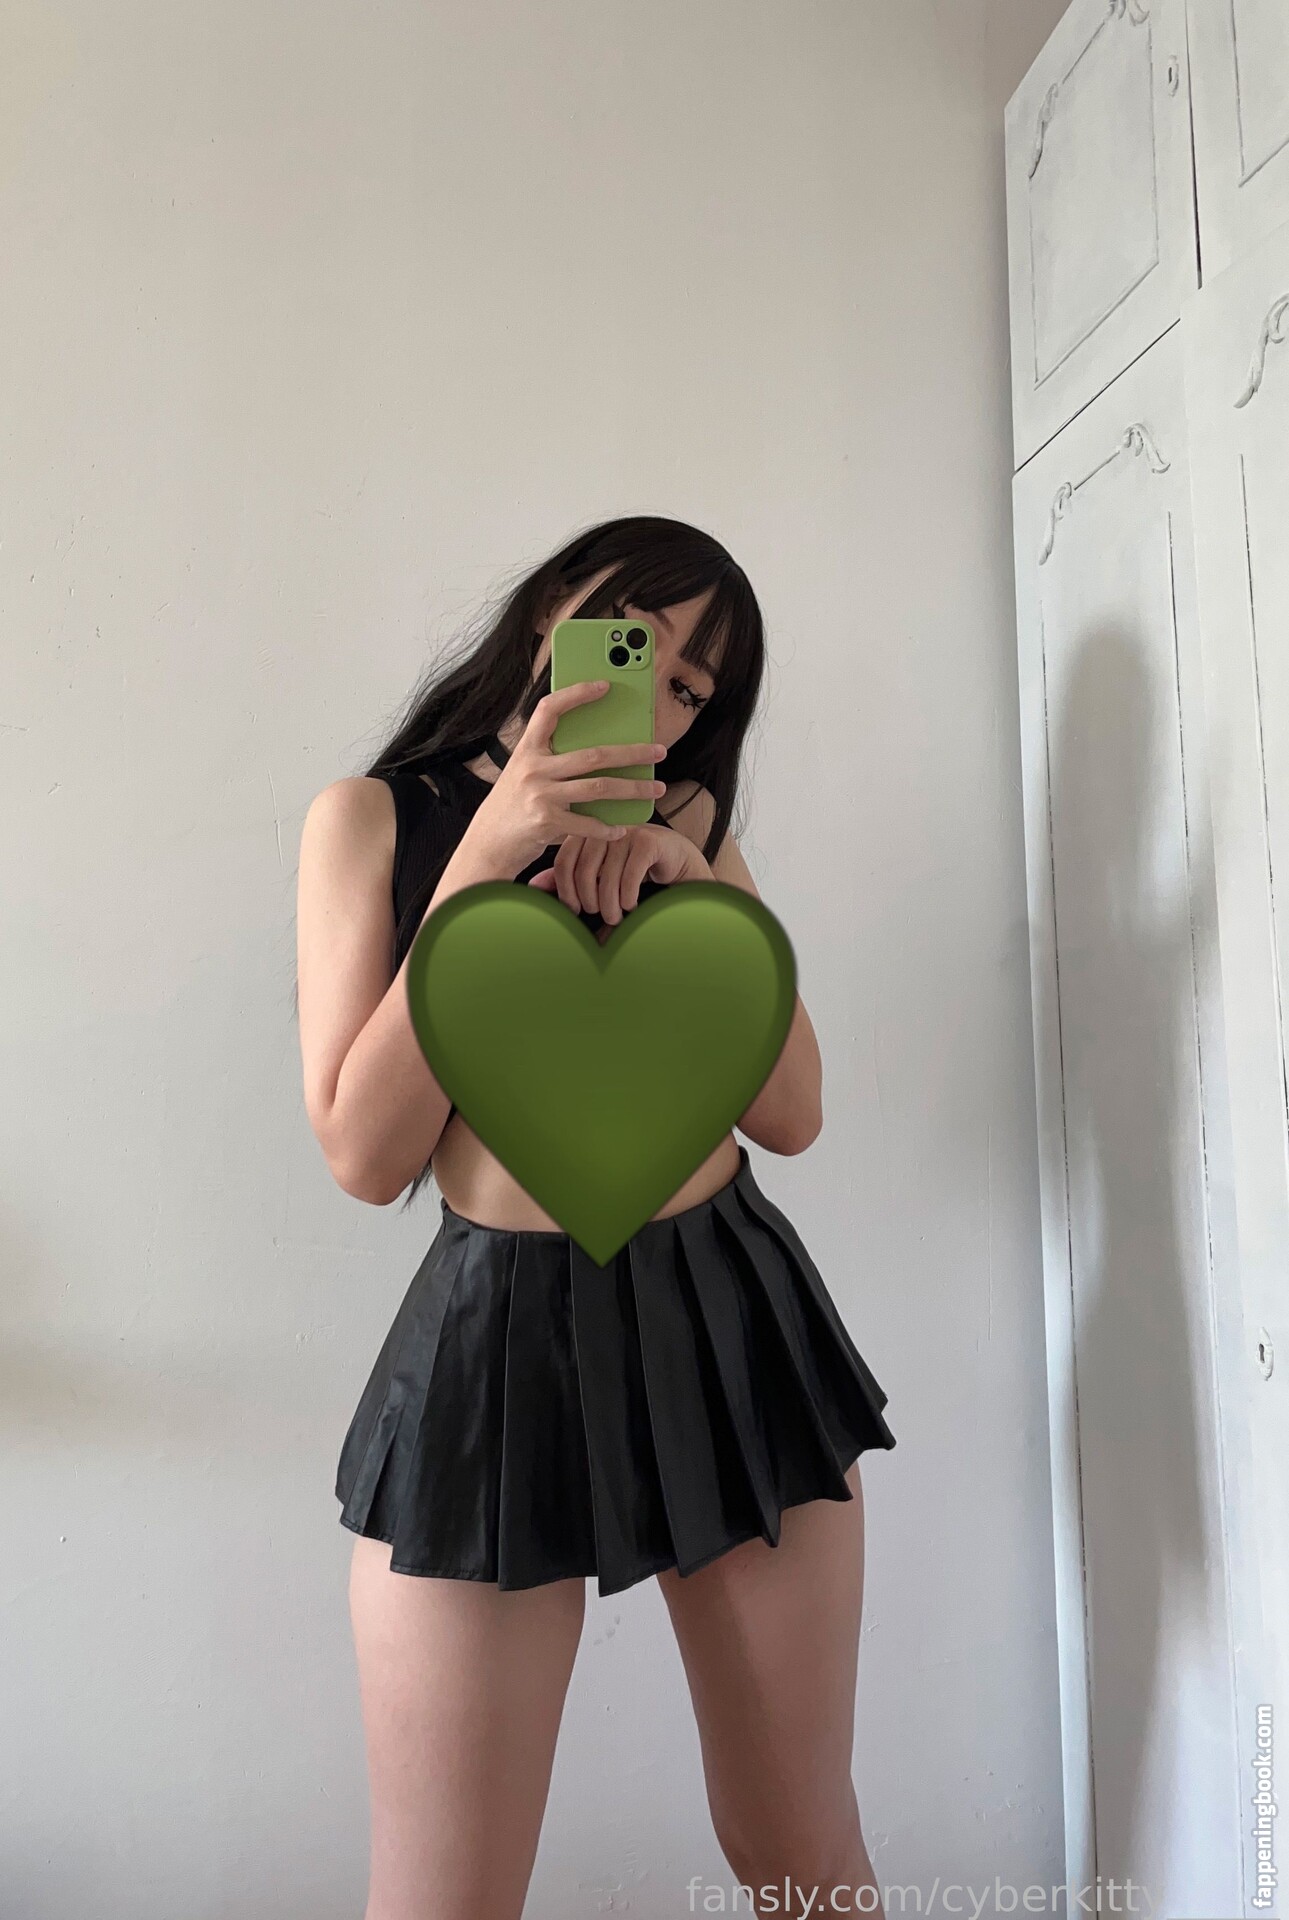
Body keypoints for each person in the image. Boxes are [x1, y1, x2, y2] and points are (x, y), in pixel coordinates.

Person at [295, 514, 897, 1920]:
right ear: (553, 609)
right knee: (443, 1897)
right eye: (635, 638)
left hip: (729, 1321)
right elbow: (365, 1154)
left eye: (692, 687)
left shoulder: (689, 828)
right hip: (493, 1348)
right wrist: (487, 855)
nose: (659, 693)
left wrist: (698, 898)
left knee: (801, 1854)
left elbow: (792, 1113)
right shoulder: (370, 820)